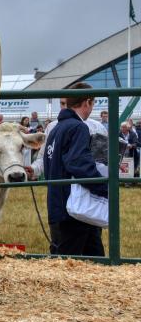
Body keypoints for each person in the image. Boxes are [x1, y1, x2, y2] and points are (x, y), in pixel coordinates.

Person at [43, 83, 107, 256]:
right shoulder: (78, 127)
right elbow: (79, 164)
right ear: (87, 102)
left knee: (90, 257)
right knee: (72, 261)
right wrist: (104, 187)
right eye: (92, 104)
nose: (91, 110)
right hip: (74, 211)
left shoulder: (56, 129)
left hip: (58, 204)